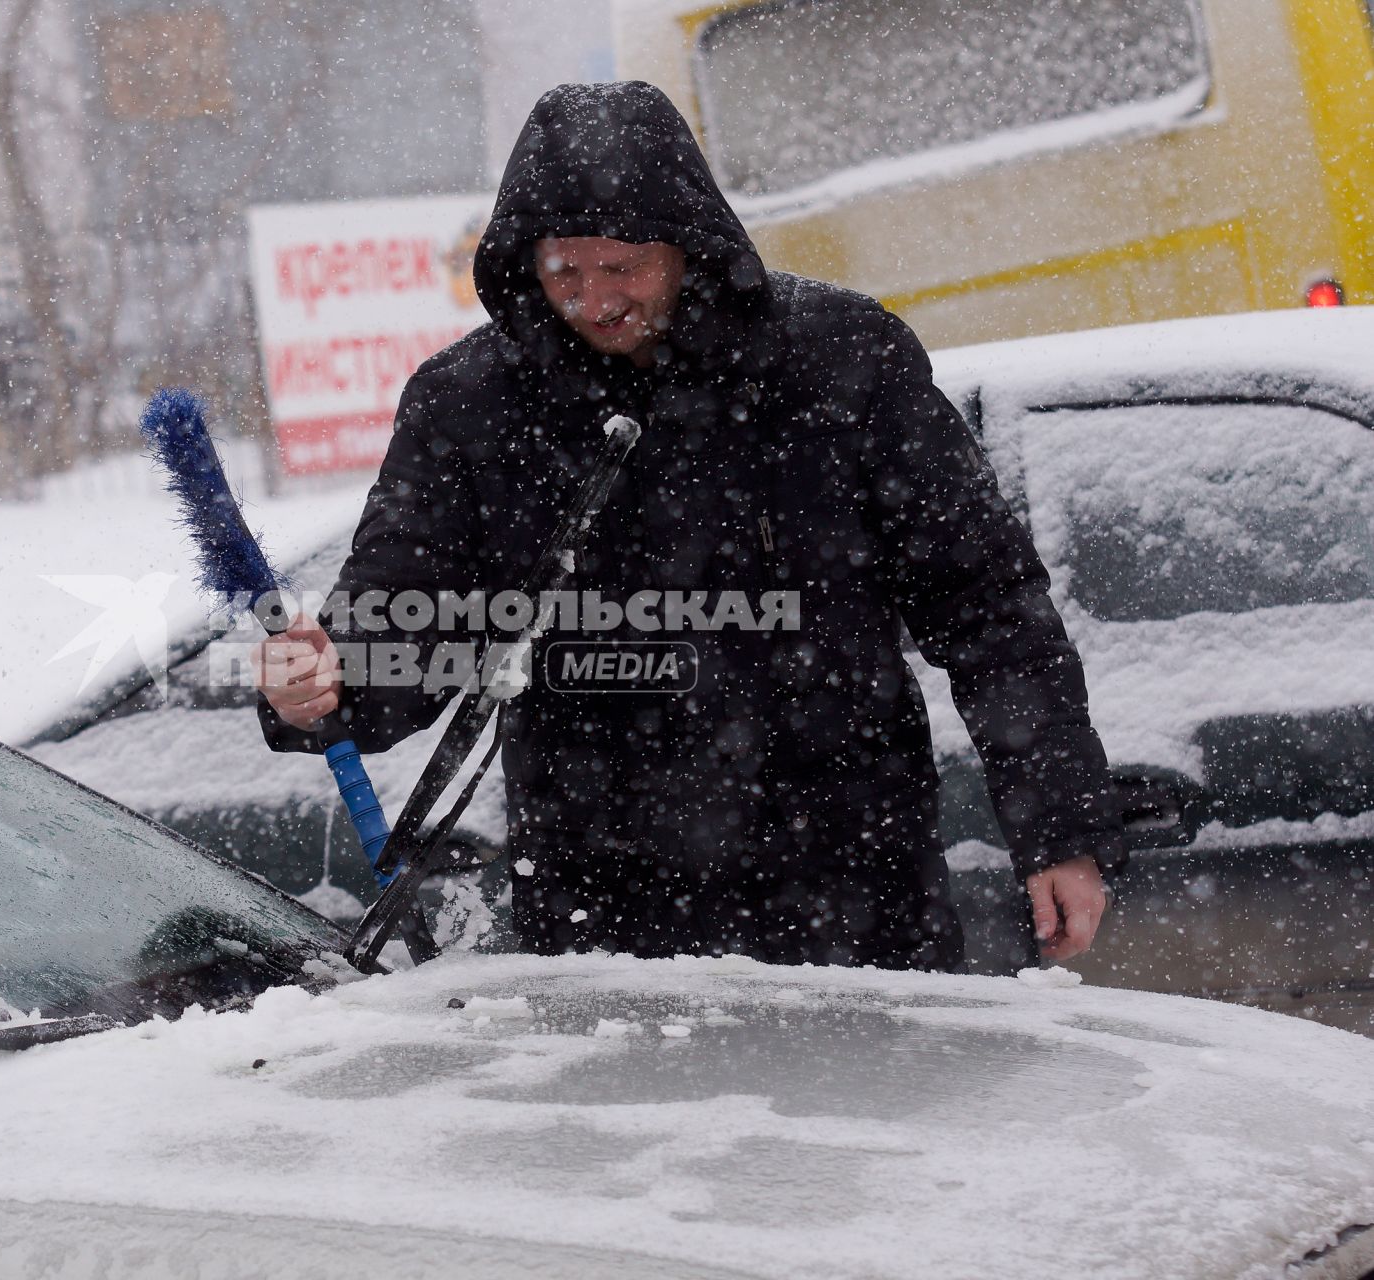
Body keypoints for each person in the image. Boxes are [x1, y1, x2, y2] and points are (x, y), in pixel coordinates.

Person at [255, 81, 1123, 971]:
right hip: (603, 918)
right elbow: (411, 614)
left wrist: (1058, 828)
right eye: (565, 272)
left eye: (622, 267)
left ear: (689, 247)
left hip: (853, 892)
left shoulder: (841, 364)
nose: (594, 301)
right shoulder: (469, 407)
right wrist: (329, 683)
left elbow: (988, 608)